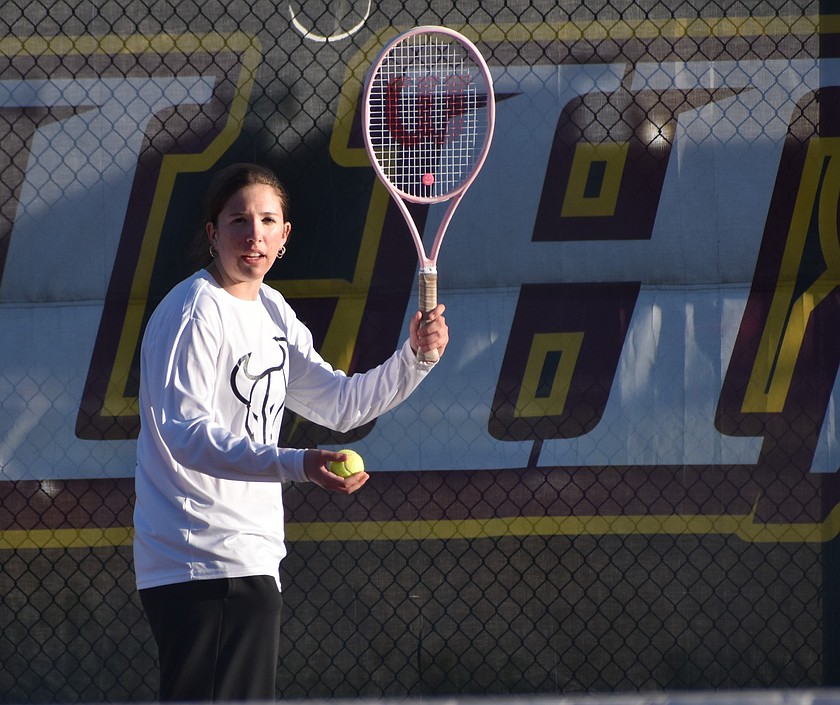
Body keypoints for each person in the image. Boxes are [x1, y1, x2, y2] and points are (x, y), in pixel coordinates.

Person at [133, 162, 449, 701]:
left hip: (252, 561)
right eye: (238, 221)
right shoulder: (194, 313)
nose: (253, 235)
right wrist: (296, 463)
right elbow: (185, 436)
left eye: (267, 220)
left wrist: (414, 359)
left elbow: (341, 404)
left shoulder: (273, 312)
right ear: (213, 234)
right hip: (200, 563)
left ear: (284, 236)